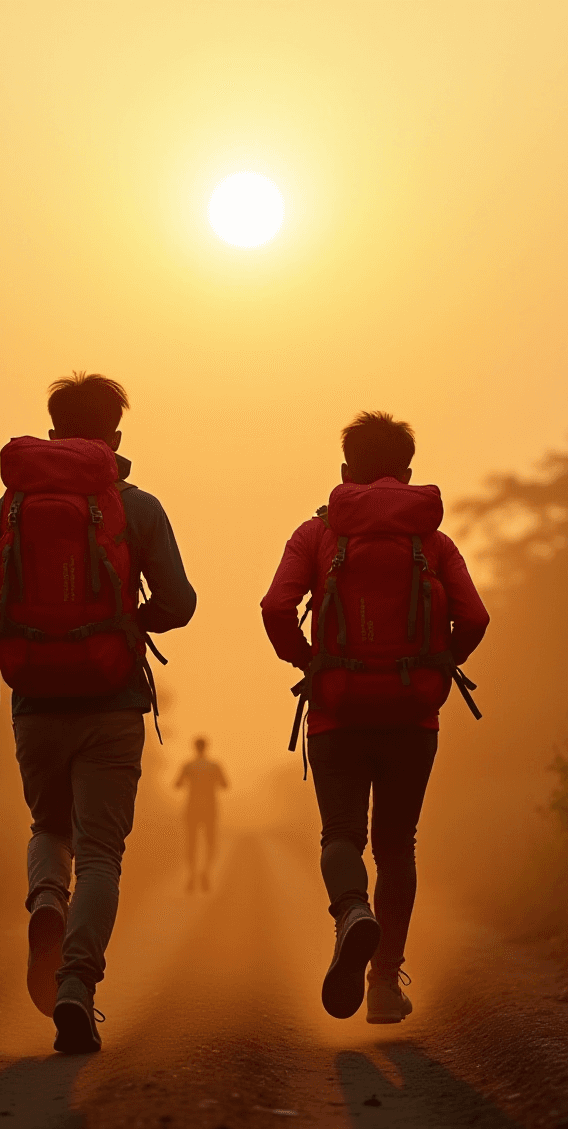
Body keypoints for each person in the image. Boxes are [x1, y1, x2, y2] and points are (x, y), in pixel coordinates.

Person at [0, 373, 196, 1053]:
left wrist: (34, 628)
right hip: (111, 702)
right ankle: (76, 987)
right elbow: (179, 602)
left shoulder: (14, 506)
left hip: (35, 701)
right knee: (100, 852)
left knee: (48, 825)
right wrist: (125, 623)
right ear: (115, 438)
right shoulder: (138, 507)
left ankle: (44, 903)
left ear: (54, 430)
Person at [260, 411, 489, 1025]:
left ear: (345, 472)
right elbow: (475, 618)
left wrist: (312, 663)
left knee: (341, 835)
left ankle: (352, 913)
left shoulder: (315, 536)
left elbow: (276, 606)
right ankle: (385, 981)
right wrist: (438, 666)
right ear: (407, 473)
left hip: (336, 711)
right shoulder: (433, 543)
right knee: (397, 844)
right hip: (414, 714)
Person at [174, 737, 228, 892]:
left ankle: (192, 876)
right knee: (210, 843)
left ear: (194, 748)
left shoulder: (188, 766)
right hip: (210, 808)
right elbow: (225, 784)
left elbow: (177, 784)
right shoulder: (214, 766)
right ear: (206, 747)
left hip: (192, 808)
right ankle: (205, 872)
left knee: (191, 844)